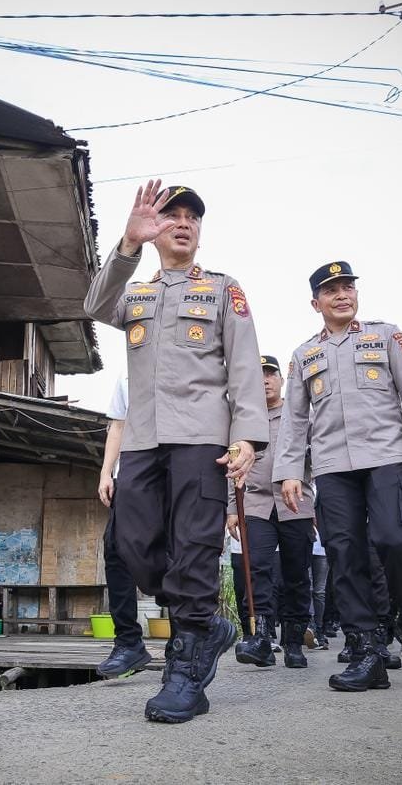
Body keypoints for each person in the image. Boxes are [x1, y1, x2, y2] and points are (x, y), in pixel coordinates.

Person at [84, 181, 268, 723]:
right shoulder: (136, 292)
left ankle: (186, 663)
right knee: (130, 543)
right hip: (142, 439)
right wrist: (126, 243)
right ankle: (207, 621)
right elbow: (95, 305)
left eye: (192, 217)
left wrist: (248, 438)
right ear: (157, 229)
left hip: (203, 438)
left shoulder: (221, 289)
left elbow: (243, 365)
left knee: (194, 545)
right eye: (172, 216)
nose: (183, 223)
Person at [274, 261, 402, 692]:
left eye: (347, 287)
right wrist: (290, 472)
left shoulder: (386, 335)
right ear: (316, 302)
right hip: (333, 466)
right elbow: (294, 420)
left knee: (394, 538)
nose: (342, 295)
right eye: (331, 290)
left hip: (387, 457)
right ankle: (366, 649)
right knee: (344, 554)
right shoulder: (304, 355)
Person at [228, 355, 316, 670]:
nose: (264, 379)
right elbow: (231, 463)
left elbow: (318, 457)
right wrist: (230, 507)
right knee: (256, 568)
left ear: (280, 380)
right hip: (254, 503)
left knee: (296, 574)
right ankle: (261, 638)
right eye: (258, 374)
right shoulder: (241, 421)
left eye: (270, 374)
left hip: (296, 503)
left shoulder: (300, 416)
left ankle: (293, 641)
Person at [95, 375, 152, 678]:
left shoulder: (183, 360)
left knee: (169, 554)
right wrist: (106, 472)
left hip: (167, 473)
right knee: (115, 549)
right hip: (129, 476)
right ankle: (129, 642)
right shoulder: (128, 375)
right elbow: (118, 425)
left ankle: (185, 639)